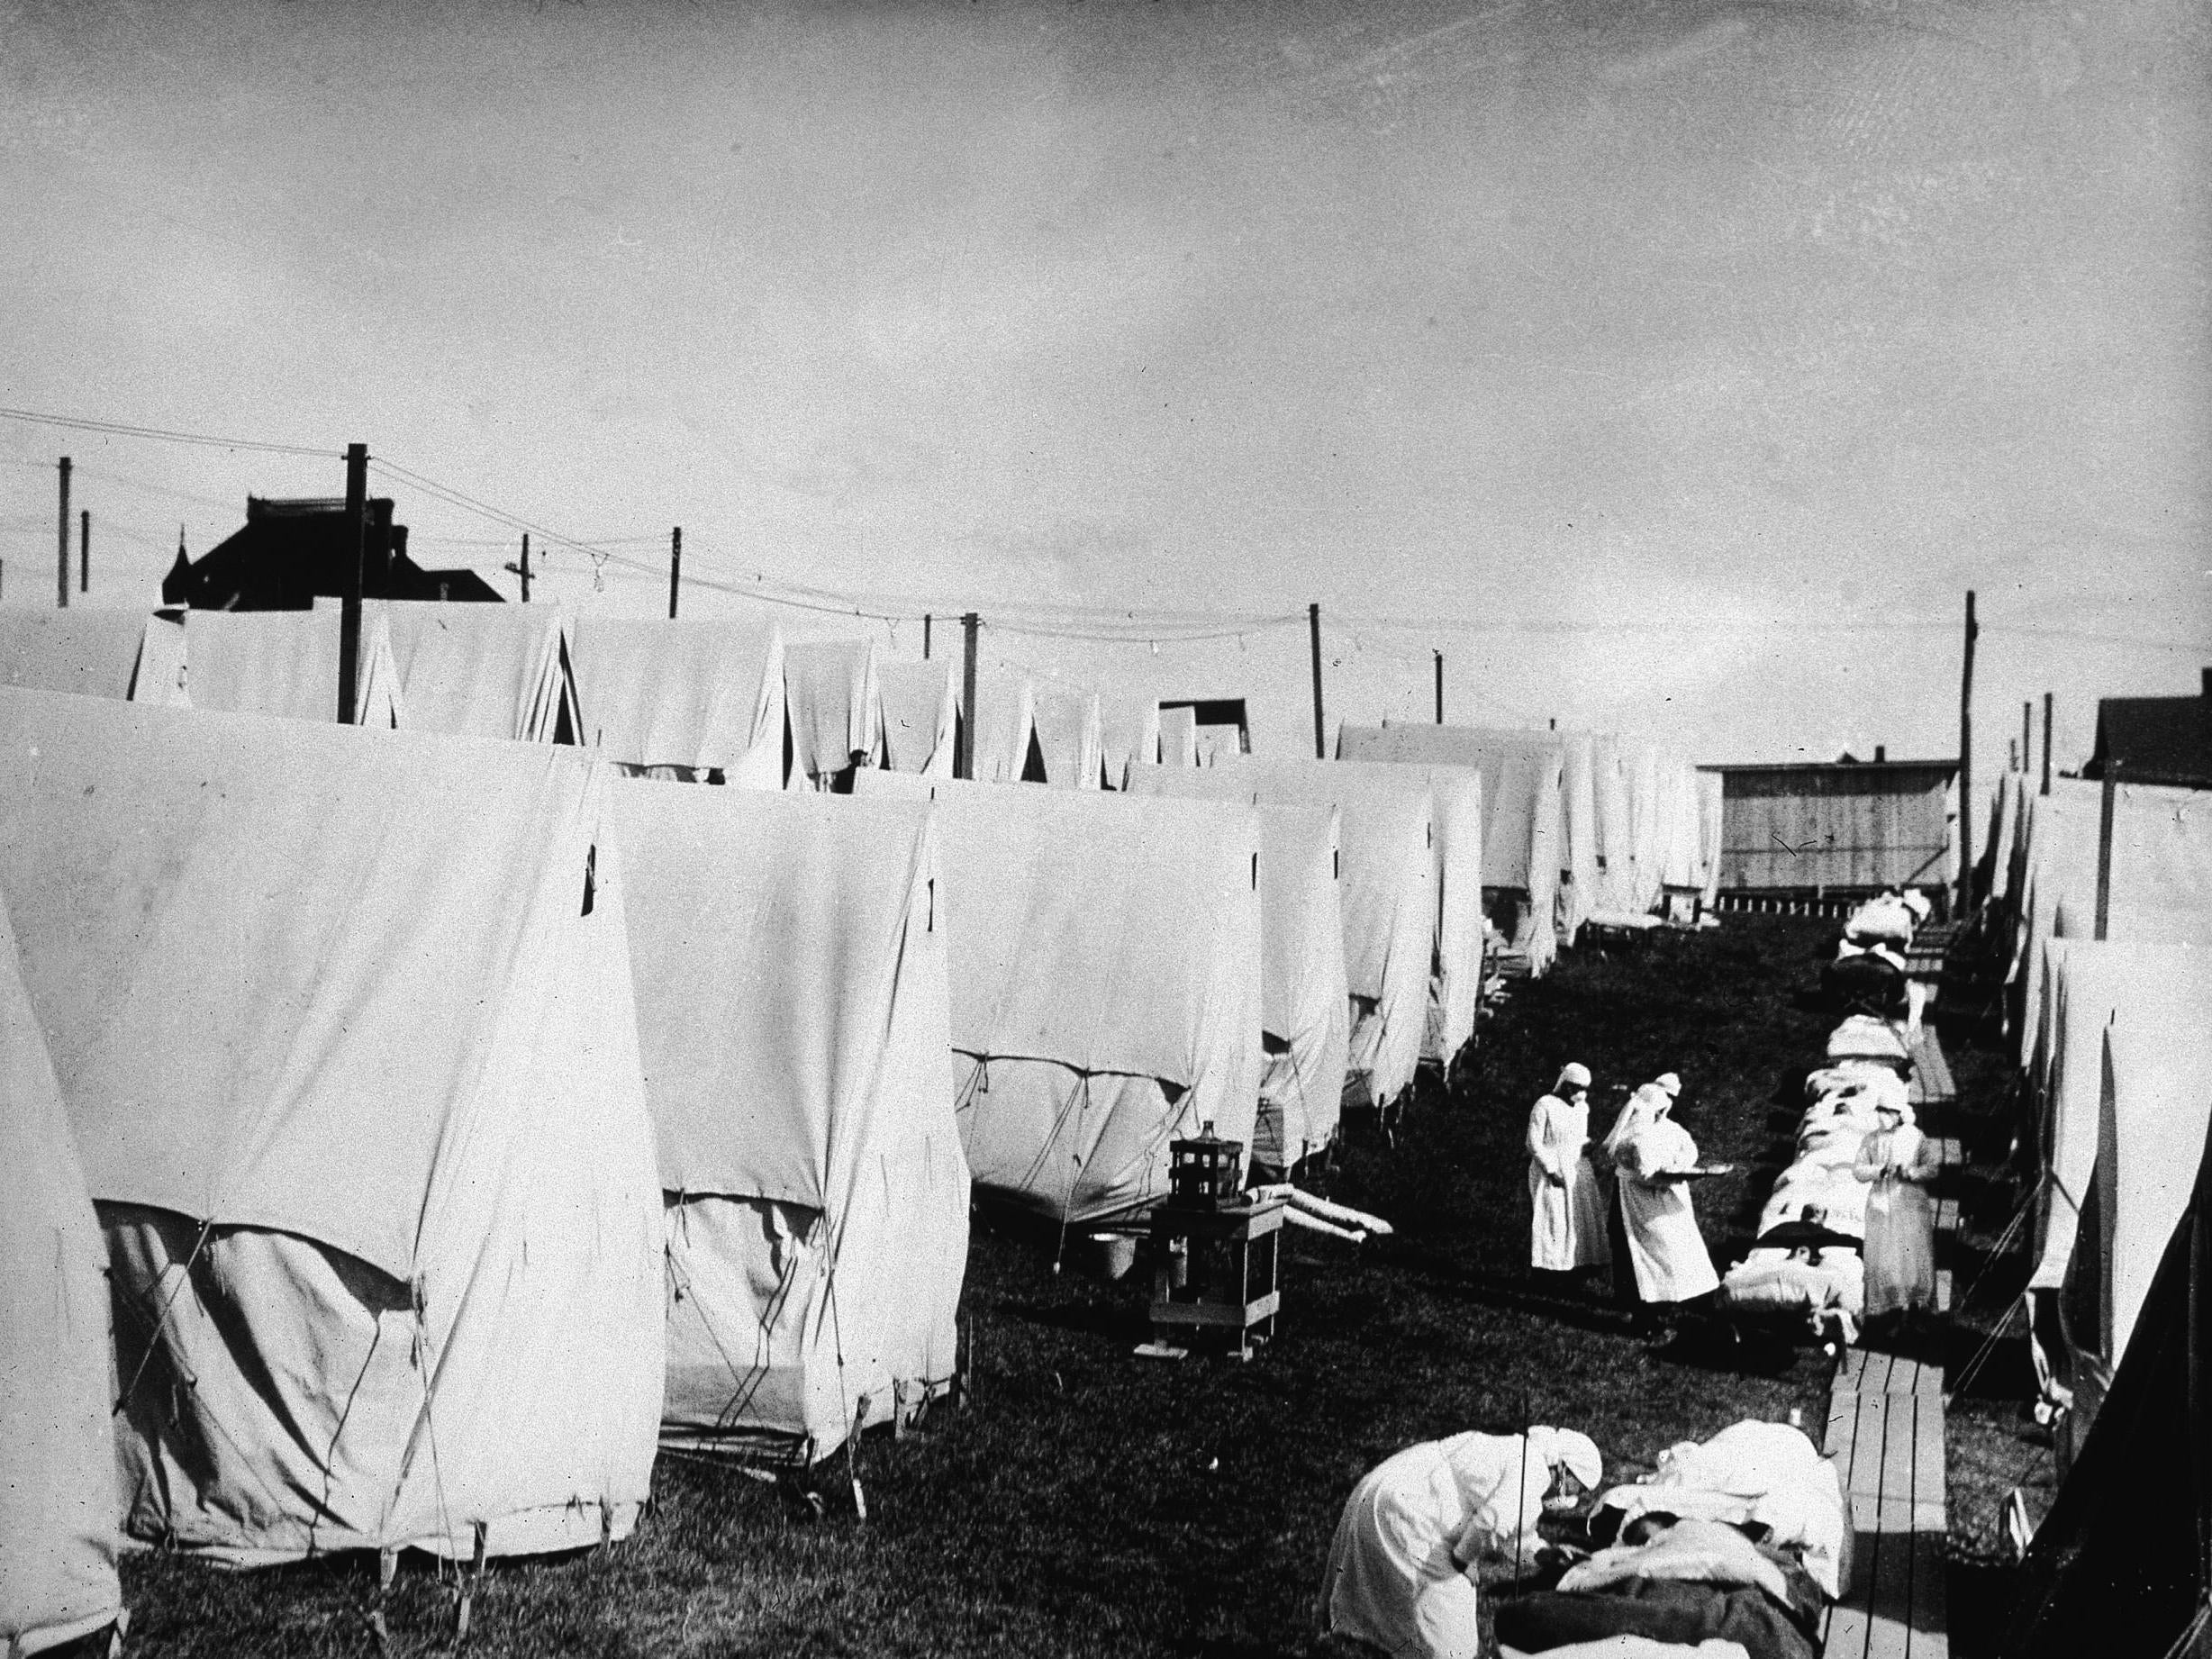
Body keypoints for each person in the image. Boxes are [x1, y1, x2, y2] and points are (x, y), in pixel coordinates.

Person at [1319, 1427, 1605, 1659]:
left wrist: (1542, 1553)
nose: (1571, 1498)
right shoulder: (1533, 1471)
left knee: (1409, 1598)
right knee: (1455, 1644)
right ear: (1564, 1470)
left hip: (1394, 1481)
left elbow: (1511, 1526)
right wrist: (1461, 1561)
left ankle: (1362, 1639)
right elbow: (1491, 1523)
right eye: (1575, 1488)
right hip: (1413, 1507)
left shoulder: (1523, 1454)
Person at [1613, 1074, 1720, 1333]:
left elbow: (1688, 1150)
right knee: (1640, 1252)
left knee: (1672, 1250)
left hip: (1667, 1199)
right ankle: (1645, 1312)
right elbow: (1646, 1174)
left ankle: (1666, 1305)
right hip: (1638, 1200)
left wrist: (1681, 1167)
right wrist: (1684, 1174)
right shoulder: (1633, 1139)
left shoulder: (1671, 1130)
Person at [1854, 1100, 1938, 1320]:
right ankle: (1889, 1311)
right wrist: (1879, 1170)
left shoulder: (1915, 1136)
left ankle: (1914, 1311)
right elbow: (1858, 1170)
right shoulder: (1871, 1139)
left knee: (1912, 1257)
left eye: (1886, 1111)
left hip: (1910, 1204)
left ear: (1898, 1113)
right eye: (1879, 1111)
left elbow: (1931, 1168)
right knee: (1885, 1258)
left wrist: (1910, 1172)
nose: (1882, 1116)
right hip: (1881, 1205)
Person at [1528, 1064, 1609, 1276]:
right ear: (1565, 1084)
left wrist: (1587, 1144)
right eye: (1575, 1087)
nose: (1579, 1093)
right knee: (1553, 1218)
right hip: (1551, 1168)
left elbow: (1577, 1135)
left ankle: (1577, 1265)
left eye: (1584, 1088)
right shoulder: (1544, 1104)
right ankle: (1549, 1269)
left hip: (1576, 1167)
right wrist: (1551, 1169)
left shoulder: (1582, 1108)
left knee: (1578, 1217)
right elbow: (1533, 1142)